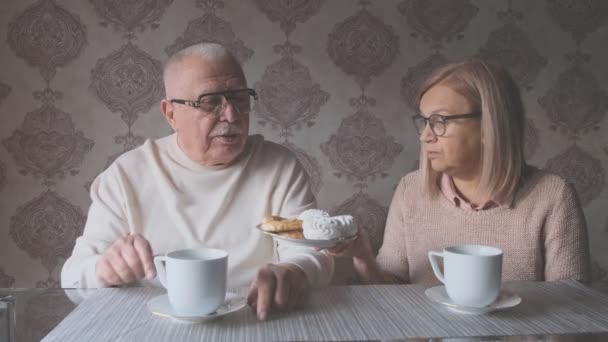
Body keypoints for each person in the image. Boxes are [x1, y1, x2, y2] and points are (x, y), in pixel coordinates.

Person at [61, 42, 333, 320]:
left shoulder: (279, 167)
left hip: (256, 321)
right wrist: (104, 269)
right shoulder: (126, 175)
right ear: (170, 114)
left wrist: (294, 270)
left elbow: (315, 254)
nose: (231, 115)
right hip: (155, 328)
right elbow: (72, 277)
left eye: (239, 98)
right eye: (210, 102)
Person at [328, 59, 591, 286]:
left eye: (439, 121)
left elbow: (571, 313)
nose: (425, 136)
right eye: (424, 121)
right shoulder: (410, 189)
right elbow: (392, 294)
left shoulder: (553, 196)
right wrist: (363, 257)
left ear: (490, 126)